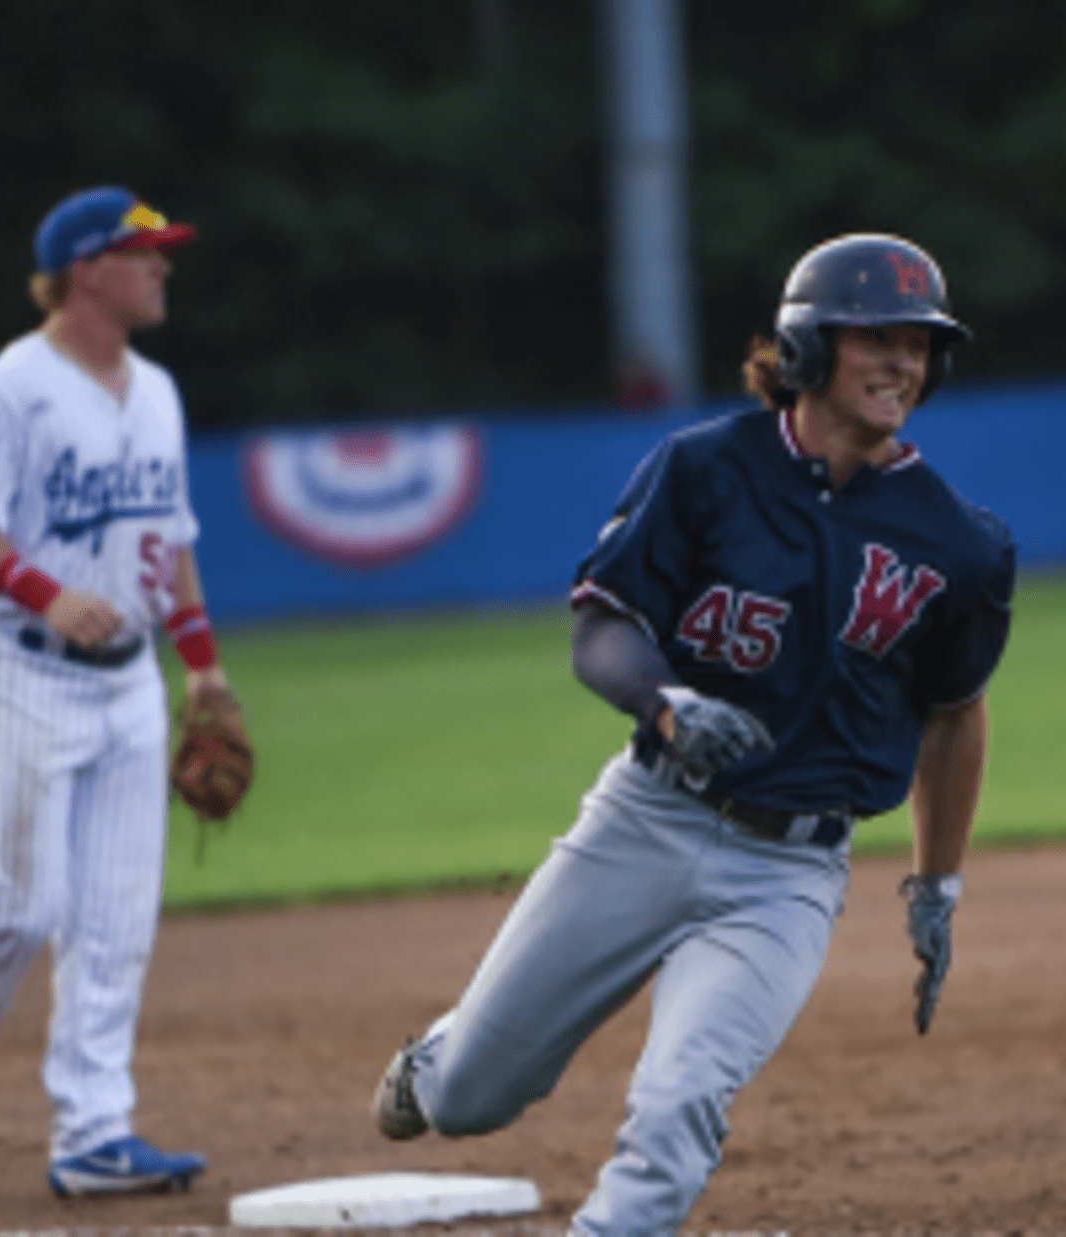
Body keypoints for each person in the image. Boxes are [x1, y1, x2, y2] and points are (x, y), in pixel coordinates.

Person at [371, 233, 1016, 1235]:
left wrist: (938, 884)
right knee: (470, 1099)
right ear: (806, 349)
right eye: (875, 338)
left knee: (681, 1094)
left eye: (920, 344)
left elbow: (954, 712)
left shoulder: (961, 543)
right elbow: (601, 627)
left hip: (787, 877)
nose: (903, 362)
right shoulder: (704, 468)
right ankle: (438, 1061)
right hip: (644, 821)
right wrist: (662, 703)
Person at [0, 186, 238, 1198]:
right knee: (18, 904)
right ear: (86, 269)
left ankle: (95, 1132)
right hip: (20, 675)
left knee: (117, 912)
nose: (162, 268)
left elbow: (168, 539)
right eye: (145, 255)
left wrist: (205, 666)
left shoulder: (159, 392)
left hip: (129, 685)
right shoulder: (6, 389)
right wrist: (48, 592)